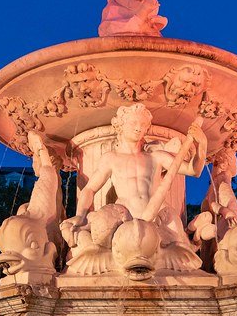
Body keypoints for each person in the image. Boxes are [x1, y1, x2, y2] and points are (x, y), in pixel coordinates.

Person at [62, 103, 206, 243]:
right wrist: (80, 216)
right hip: (126, 218)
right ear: (121, 125)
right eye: (133, 123)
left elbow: (194, 170)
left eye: (143, 125)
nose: (138, 128)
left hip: (159, 215)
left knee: (180, 251)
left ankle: (193, 237)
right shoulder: (111, 158)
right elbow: (89, 189)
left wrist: (202, 144)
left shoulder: (157, 157)